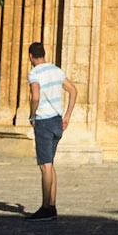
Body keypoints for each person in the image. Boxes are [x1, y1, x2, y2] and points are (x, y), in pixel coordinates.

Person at [26, 40, 78, 219]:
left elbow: (35, 95)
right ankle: (52, 205)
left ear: (31, 56)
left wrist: (32, 115)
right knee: (50, 164)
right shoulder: (56, 70)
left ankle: (45, 207)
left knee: (45, 165)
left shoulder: (34, 73)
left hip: (44, 122)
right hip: (57, 121)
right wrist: (68, 115)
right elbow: (73, 90)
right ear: (44, 54)